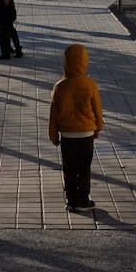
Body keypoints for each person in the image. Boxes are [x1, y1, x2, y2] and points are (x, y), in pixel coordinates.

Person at [48, 43, 104, 212]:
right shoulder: (90, 84)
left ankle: (71, 199)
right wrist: (98, 127)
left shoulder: (60, 86)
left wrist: (53, 135)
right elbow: (97, 109)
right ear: (84, 62)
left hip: (67, 135)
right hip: (86, 133)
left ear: (66, 62)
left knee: (69, 168)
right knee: (84, 167)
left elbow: (53, 114)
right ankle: (83, 199)